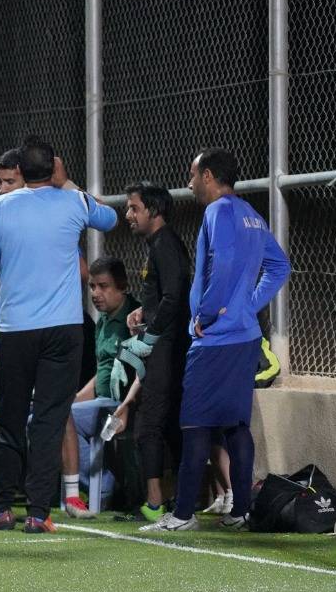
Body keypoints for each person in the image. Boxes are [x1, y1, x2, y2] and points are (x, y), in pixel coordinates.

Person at [0, 136, 118, 533]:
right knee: (50, 421)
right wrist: (66, 183)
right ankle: (39, 514)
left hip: (15, 330)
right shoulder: (73, 201)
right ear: (53, 167)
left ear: (19, 170)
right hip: (63, 331)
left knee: (8, 418)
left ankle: (1, 508)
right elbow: (110, 218)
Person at [140, 148, 290, 533]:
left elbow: (221, 264)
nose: (189, 183)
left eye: (192, 175)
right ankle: (241, 511)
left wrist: (205, 314)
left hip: (216, 340)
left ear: (208, 176)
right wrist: (248, 304)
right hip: (245, 338)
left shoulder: (217, 211)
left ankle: (183, 514)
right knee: (236, 426)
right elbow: (279, 266)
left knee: (194, 425)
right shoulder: (251, 215)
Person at [120, 181, 192, 522]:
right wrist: (143, 313)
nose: (128, 214)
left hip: (167, 347)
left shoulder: (165, 244)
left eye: (134, 208)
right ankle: (178, 500)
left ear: (154, 210)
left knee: (149, 423)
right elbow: (164, 296)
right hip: (166, 344)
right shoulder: (159, 244)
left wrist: (150, 335)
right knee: (168, 423)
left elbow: (174, 297)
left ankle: (154, 504)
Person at [61, 256, 140, 516]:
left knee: (61, 421)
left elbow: (143, 368)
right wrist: (73, 399)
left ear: (123, 287)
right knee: (42, 418)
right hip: (102, 402)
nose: (95, 293)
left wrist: (127, 404)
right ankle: (89, 485)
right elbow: (101, 375)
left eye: (103, 286)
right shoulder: (103, 321)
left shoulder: (134, 318)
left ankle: (104, 485)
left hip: (122, 405)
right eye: (92, 287)